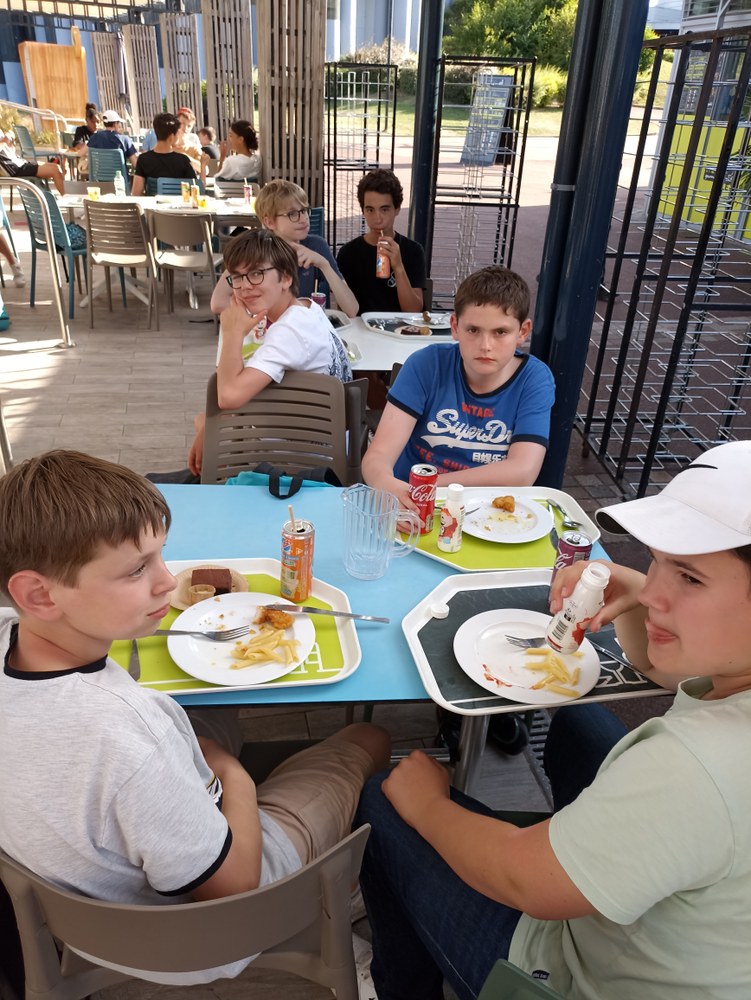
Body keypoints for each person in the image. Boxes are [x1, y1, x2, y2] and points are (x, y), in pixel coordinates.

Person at [355, 438, 751, 1000]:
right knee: (581, 728)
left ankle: (400, 988)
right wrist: (634, 589)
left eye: (689, 578)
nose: (655, 593)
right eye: (657, 563)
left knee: (384, 797)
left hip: (579, 977)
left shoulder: (693, 767)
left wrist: (429, 806)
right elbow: (666, 670)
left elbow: (524, 880)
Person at [0, 449, 390, 986]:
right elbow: (234, 886)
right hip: (200, 935)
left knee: (214, 710)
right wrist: (233, 775)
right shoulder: (134, 734)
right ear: (38, 594)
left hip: (78, 911)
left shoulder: (12, 633)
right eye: (137, 569)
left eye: (160, 555)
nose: (167, 581)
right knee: (369, 738)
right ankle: (346, 896)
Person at [362, 265, 555, 511]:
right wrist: (385, 482)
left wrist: (429, 486)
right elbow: (377, 457)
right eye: (473, 330)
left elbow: (523, 470)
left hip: (485, 510)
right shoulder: (426, 364)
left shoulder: (534, 379)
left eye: (500, 332)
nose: (485, 345)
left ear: (523, 332)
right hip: (410, 505)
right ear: (454, 326)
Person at [189, 229, 352, 477]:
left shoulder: (290, 330)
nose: (245, 286)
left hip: (299, 464)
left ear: (285, 278)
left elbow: (228, 397)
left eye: (256, 274)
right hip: (323, 445)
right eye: (237, 277)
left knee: (206, 420)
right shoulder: (307, 307)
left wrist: (232, 332)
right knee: (206, 419)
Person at [210, 179, 358, 318]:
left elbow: (351, 309)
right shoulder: (256, 250)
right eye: (292, 214)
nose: (303, 219)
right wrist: (260, 311)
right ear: (269, 222)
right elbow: (217, 303)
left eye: (304, 210)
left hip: (303, 329)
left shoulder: (316, 246)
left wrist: (324, 264)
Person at [336, 168, 426, 314]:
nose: (377, 219)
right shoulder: (348, 253)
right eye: (370, 210)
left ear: (397, 209)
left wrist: (398, 267)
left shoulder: (413, 251)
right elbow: (345, 313)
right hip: (361, 326)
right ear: (363, 210)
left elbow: (413, 311)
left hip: (400, 326)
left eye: (384, 209)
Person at [131, 112, 197, 196]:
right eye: (177, 133)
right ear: (172, 137)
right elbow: (195, 189)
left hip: (153, 204)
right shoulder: (183, 160)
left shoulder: (143, 159)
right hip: (179, 204)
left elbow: (136, 193)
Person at [0, 146, 65, 195]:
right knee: (54, 171)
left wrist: (10, 145)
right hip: (15, 168)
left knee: (56, 166)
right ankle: (64, 197)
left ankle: (63, 196)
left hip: (20, 163)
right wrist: (4, 142)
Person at [212, 119, 261, 183]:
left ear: (240, 139)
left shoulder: (231, 162)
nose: (228, 139)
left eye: (231, 136)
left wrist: (222, 158)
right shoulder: (257, 160)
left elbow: (216, 180)